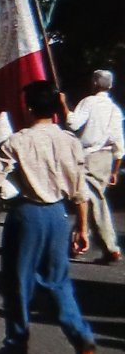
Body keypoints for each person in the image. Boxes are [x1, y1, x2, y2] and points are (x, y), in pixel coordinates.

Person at [0, 81, 96, 354]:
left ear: (29, 107)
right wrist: (82, 227)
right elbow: (79, 190)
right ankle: (81, 337)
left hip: (27, 213)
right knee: (58, 280)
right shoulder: (70, 141)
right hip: (58, 214)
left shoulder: (17, 141)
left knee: (18, 281)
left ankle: (17, 341)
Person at [60, 69, 123, 264]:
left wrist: (63, 104)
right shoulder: (115, 109)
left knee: (93, 200)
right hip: (107, 158)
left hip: (90, 156)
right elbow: (119, 143)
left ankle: (110, 246)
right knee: (87, 200)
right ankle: (76, 242)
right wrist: (114, 169)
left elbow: (72, 122)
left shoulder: (89, 102)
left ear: (95, 83)